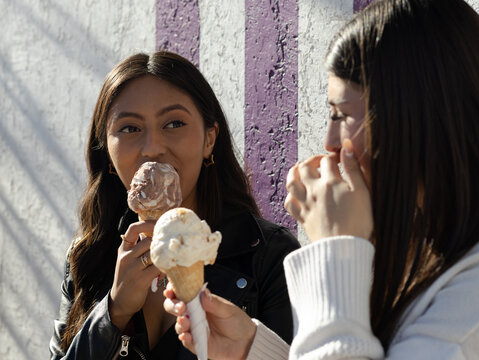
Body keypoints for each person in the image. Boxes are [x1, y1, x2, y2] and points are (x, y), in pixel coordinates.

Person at [164, 0, 479, 358]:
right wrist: (255, 351)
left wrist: (335, 249)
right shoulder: (434, 248)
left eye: (341, 115)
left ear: (416, 119)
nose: (329, 143)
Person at [49, 51, 300, 359]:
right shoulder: (88, 256)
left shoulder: (269, 256)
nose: (153, 147)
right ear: (108, 156)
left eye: (174, 123)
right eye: (129, 128)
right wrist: (112, 312)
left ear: (210, 139)